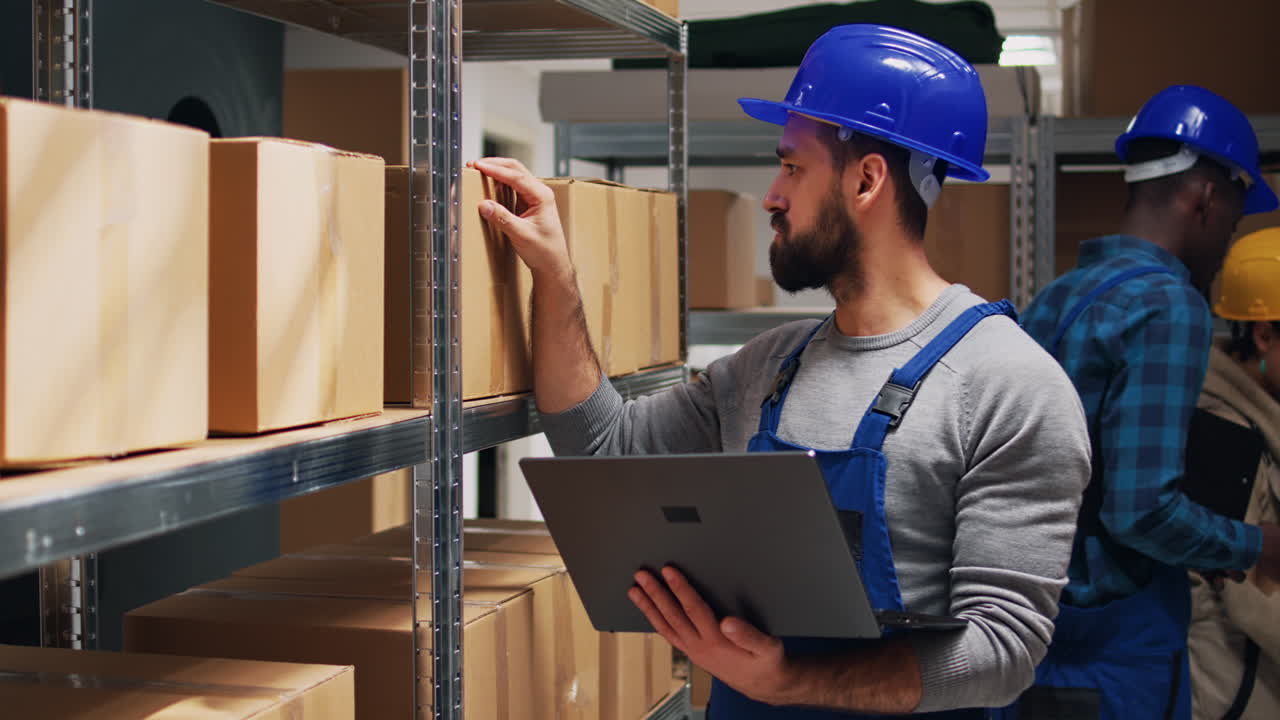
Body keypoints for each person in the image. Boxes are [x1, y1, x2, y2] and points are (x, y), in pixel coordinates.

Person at [472, 24, 1090, 718]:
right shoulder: (767, 367)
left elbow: (1003, 652)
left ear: (866, 179)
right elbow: (602, 450)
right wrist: (555, 275)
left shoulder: (1011, 386)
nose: (772, 194)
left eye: (793, 167)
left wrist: (789, 681)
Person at [1013, 85, 1280, 720]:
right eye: (1234, 222)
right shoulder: (1168, 303)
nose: (1223, 244)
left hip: (1034, 630)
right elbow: (1140, 510)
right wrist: (1255, 546)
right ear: (1207, 198)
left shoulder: (1057, 295)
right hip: (1114, 647)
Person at [1186, 228, 1280, 719]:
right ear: (1263, 334)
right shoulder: (1223, 431)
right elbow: (1250, 599)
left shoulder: (1263, 418)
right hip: (1233, 694)